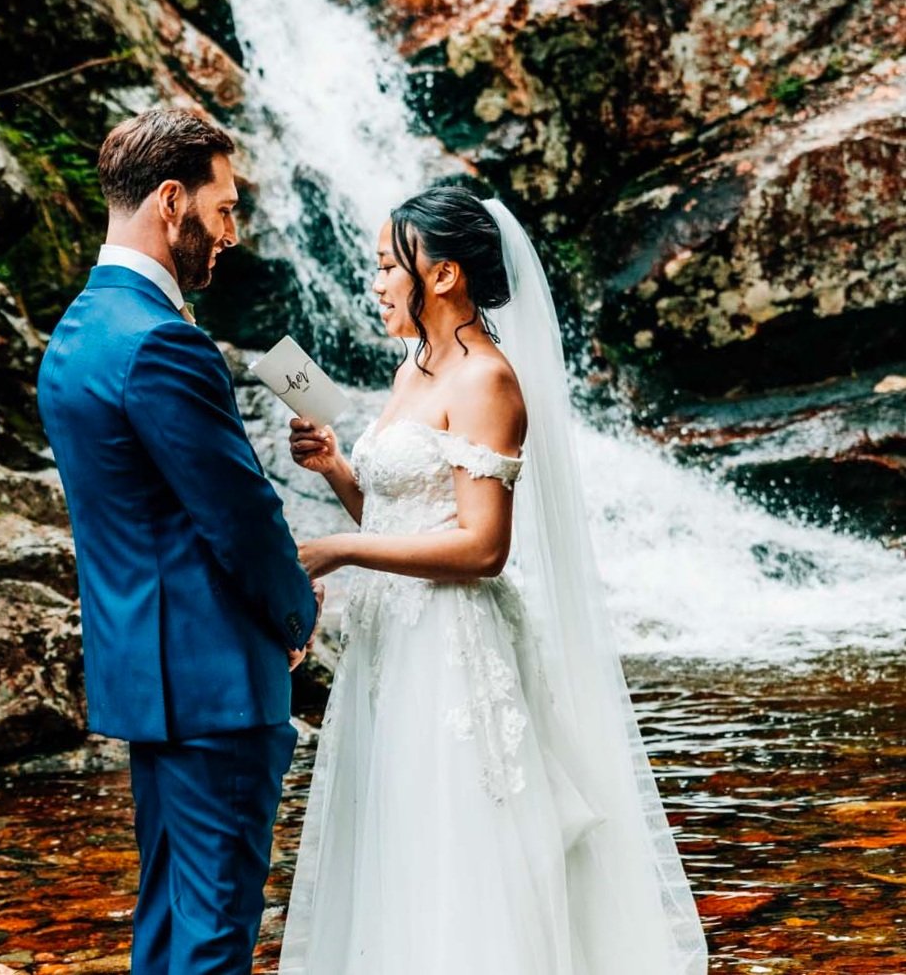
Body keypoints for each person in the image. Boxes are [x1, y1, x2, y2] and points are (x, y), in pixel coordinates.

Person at [279, 186, 707, 974]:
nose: (375, 285)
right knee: (399, 842)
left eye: (385, 267)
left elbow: (481, 549)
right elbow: (405, 514)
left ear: (442, 276)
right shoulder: (417, 367)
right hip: (392, 643)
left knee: (459, 849)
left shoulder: (488, 381)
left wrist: (336, 549)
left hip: (451, 646)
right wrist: (340, 468)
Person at [36, 107, 321, 975]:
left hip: (146, 676)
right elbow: (239, 514)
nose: (231, 233)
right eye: (225, 209)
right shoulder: (164, 344)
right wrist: (296, 615)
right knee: (213, 932)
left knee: (167, 920)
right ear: (172, 201)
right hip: (215, 682)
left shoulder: (78, 334)